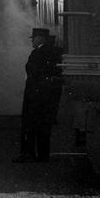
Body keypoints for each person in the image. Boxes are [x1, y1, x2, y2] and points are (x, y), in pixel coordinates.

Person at [15, 28, 62, 163]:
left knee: (29, 125)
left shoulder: (37, 53)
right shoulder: (55, 52)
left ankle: (28, 153)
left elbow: (32, 72)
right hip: (47, 96)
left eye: (34, 38)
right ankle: (43, 154)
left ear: (40, 38)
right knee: (44, 127)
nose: (32, 41)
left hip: (34, 96)